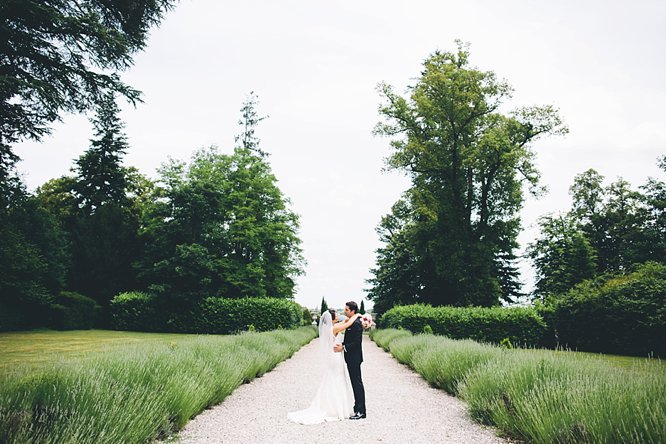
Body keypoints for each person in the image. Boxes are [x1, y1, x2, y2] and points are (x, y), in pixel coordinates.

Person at [288, 309, 360, 424]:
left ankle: (336, 406)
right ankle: (336, 409)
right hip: (335, 357)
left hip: (334, 356)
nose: (338, 314)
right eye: (336, 314)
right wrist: (357, 315)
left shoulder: (332, 327)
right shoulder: (334, 328)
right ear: (332, 318)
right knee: (337, 379)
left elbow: (345, 321)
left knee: (335, 378)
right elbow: (348, 324)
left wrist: (351, 318)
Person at [334, 301, 366, 419]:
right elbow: (349, 340)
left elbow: (357, 342)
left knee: (357, 383)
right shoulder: (350, 323)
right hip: (350, 358)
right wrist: (342, 344)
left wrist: (343, 347)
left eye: (347, 310)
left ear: (353, 311)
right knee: (354, 383)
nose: (345, 311)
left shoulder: (356, 323)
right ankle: (357, 408)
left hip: (355, 358)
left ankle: (361, 411)